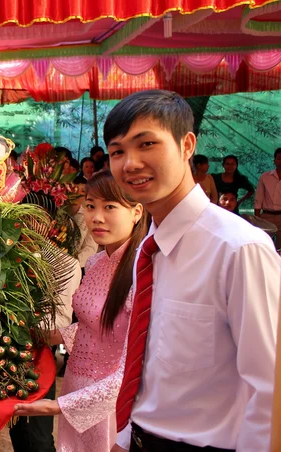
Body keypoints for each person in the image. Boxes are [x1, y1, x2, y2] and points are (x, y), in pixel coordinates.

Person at [103, 90, 280, 451]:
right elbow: (146, 357)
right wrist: (122, 437)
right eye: (117, 151)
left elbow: (271, 387)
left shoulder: (238, 249)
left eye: (146, 143)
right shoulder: (148, 248)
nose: (130, 163)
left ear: (186, 146)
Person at [14, 171, 147, 452]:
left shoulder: (142, 272)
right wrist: (48, 336)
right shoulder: (98, 260)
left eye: (109, 206)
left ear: (136, 212)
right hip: (76, 382)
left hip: (107, 400)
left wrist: (55, 405)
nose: (96, 217)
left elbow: (134, 365)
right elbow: (96, 328)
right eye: (90, 206)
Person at [254, 148, 281, 246]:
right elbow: (258, 198)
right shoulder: (265, 177)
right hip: (266, 216)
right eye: (279, 158)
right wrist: (257, 218)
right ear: (274, 160)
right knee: (264, 245)